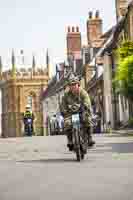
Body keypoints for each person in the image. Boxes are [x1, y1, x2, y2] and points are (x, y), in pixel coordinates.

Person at [60, 74, 95, 151]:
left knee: (88, 119)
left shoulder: (82, 92)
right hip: (71, 113)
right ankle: (70, 141)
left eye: (74, 84)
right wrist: (63, 111)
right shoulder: (66, 95)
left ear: (78, 84)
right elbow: (63, 104)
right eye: (71, 85)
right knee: (67, 123)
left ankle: (89, 137)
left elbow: (87, 100)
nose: (73, 86)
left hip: (82, 111)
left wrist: (86, 105)